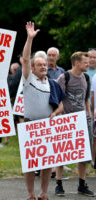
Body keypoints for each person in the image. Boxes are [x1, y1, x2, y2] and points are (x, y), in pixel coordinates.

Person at [21, 21, 65, 200]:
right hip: (31, 125)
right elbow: (25, 59)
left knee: (48, 164)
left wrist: (55, 113)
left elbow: (61, 103)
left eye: (45, 65)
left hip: (48, 127)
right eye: (39, 65)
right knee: (30, 164)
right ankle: (31, 194)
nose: (43, 67)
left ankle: (44, 193)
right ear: (32, 68)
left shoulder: (53, 84)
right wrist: (30, 39)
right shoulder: (28, 80)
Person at [55, 51, 95, 197]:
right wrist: (59, 118)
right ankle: (59, 184)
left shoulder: (86, 77)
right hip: (67, 122)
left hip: (83, 121)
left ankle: (82, 184)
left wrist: (88, 115)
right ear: (77, 63)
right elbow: (57, 99)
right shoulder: (64, 77)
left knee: (84, 155)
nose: (88, 63)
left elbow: (85, 99)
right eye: (85, 61)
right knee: (62, 153)